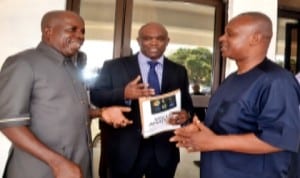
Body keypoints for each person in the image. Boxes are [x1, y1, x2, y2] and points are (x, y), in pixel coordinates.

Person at [0, 10, 131, 178]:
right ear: (48, 32)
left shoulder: (73, 68)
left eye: (83, 31)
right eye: (72, 29)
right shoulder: (23, 63)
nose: (80, 36)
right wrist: (56, 162)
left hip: (76, 167)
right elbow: (8, 123)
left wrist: (101, 112)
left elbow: (69, 108)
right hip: (39, 171)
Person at [170, 12, 300, 178]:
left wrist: (213, 142)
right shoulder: (232, 79)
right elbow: (232, 123)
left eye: (230, 34)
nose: (221, 38)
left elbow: (279, 138)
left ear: (256, 38)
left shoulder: (277, 81)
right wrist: (200, 129)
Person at [90, 22, 194, 178]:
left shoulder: (178, 71)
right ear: (139, 41)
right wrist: (123, 93)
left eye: (159, 38)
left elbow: (187, 104)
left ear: (167, 41)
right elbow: (96, 96)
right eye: (147, 38)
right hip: (124, 151)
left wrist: (185, 114)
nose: (153, 42)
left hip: (164, 151)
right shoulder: (114, 67)